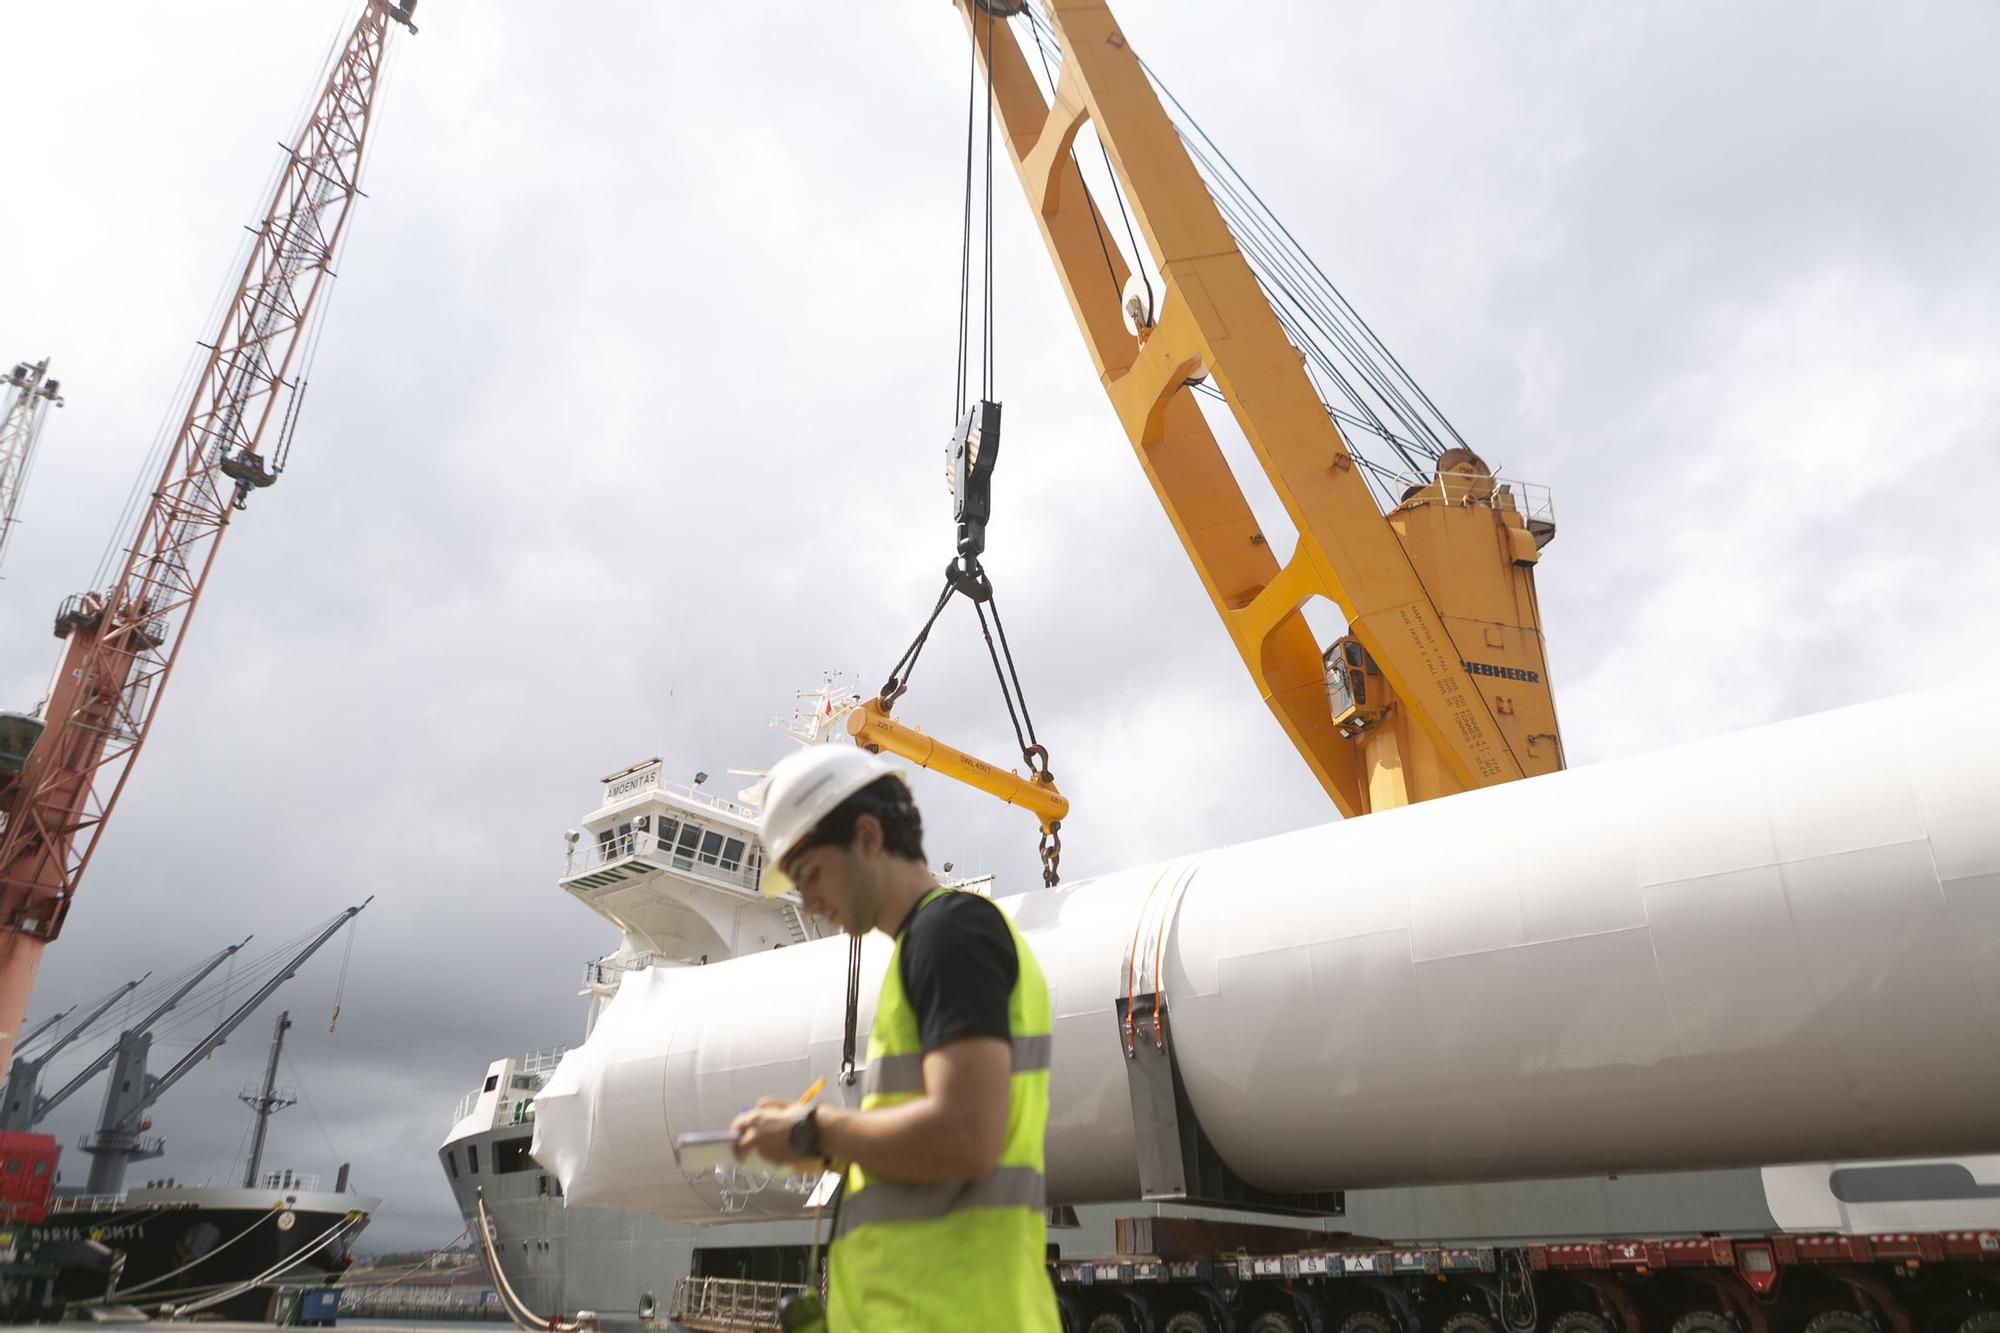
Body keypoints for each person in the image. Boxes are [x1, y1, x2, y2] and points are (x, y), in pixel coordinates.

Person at [730, 745, 1060, 1333]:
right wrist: (817, 1144)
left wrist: (815, 1129)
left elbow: (963, 1136)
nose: (807, 902)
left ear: (866, 836)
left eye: (809, 875)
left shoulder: (949, 934)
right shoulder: (928, 945)